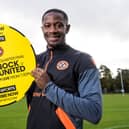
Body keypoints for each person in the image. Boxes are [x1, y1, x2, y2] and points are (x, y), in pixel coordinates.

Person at [26, 8, 102, 129]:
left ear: (67, 28)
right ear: (42, 29)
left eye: (59, 25)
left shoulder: (83, 61)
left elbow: (94, 112)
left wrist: (48, 87)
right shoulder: (33, 61)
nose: (53, 30)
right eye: (47, 25)